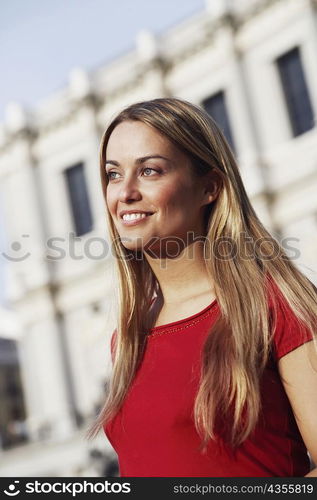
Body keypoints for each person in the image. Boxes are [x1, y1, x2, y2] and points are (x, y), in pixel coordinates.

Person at [87, 97, 317, 477]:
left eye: (150, 171)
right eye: (113, 174)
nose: (124, 192)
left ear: (209, 187)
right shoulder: (128, 338)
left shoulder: (276, 304)